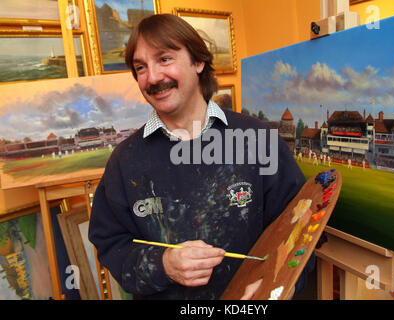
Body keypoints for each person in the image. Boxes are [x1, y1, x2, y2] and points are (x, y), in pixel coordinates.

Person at [88, 14, 308, 300]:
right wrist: (163, 265)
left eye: (164, 59)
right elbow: (111, 244)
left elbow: (300, 228)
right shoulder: (124, 160)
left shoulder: (258, 139)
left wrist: (275, 287)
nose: (152, 77)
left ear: (198, 61)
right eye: (141, 67)